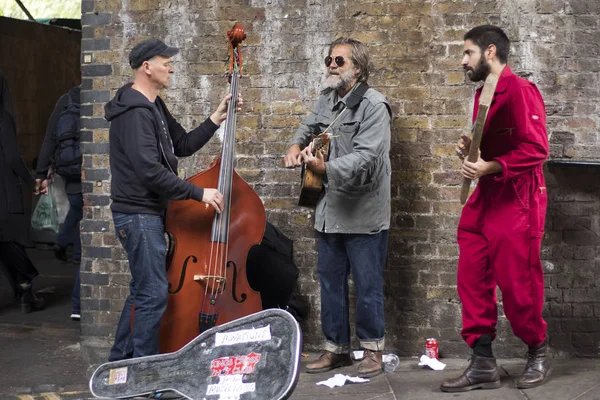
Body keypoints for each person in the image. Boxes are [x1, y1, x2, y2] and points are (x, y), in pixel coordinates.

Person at [105, 38, 238, 361]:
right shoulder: (135, 113)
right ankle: (145, 373)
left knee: (142, 291)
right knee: (153, 293)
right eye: (166, 62)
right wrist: (199, 193)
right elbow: (149, 172)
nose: (172, 68)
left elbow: (182, 144)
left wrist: (216, 118)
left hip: (147, 215)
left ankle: (119, 366)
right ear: (146, 67)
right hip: (138, 216)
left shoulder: (153, 105)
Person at [440, 25, 551, 392]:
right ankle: (483, 362)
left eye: (467, 52)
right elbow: (490, 142)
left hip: (516, 200)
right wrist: (470, 148)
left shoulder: (521, 91)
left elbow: (536, 149)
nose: (462, 60)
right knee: (471, 279)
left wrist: (491, 166)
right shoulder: (482, 93)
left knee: (519, 283)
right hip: (484, 200)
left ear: (490, 51)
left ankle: (537, 349)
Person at [283, 37, 391, 378]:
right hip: (329, 211)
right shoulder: (327, 98)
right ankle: (336, 349)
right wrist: (294, 144)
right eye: (329, 59)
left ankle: (373, 350)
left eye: (339, 61)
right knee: (329, 281)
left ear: (357, 68)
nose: (332, 65)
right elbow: (310, 125)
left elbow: (367, 157)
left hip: (363, 212)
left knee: (367, 283)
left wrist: (324, 169)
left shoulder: (374, 106)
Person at [35, 85, 83, 321]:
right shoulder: (108, 95)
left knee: (78, 210)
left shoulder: (66, 100)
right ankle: (78, 305)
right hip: (94, 176)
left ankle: (65, 242)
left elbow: (49, 138)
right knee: (89, 240)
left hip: (72, 177)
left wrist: (41, 173)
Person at [0, 72, 45, 313]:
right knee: (11, 242)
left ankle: (24, 292)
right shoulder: (3, 118)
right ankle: (26, 286)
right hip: (4, 195)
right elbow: (13, 158)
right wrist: (32, 180)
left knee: (5, 245)